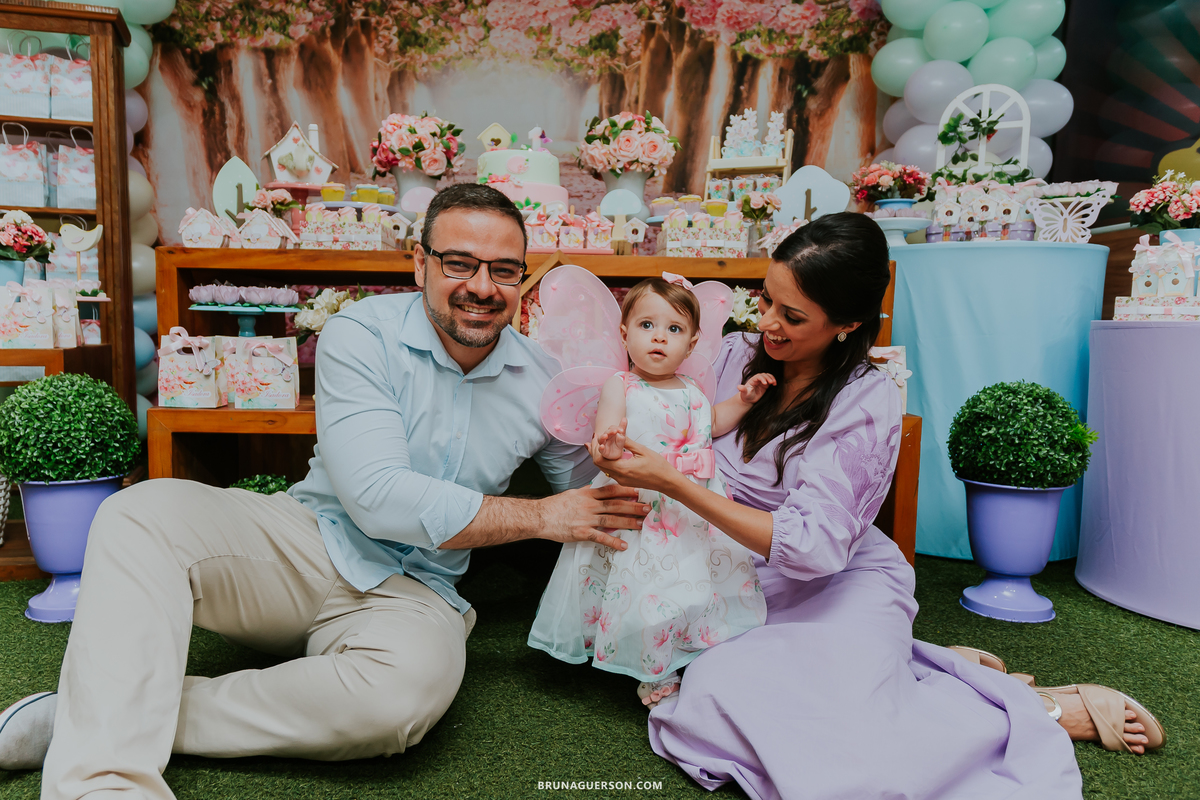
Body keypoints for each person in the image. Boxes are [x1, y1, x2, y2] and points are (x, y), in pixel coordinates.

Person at [0, 184, 650, 800]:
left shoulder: (544, 379)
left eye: (504, 270)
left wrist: (647, 434)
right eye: (460, 263)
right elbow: (377, 497)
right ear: (418, 264)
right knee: (139, 512)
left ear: (521, 281)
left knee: (397, 705)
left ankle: (94, 711)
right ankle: (104, 779)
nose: (481, 287)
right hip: (305, 543)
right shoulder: (360, 334)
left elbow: (595, 495)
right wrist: (540, 515)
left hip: (418, 592)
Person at [592, 213, 1166, 799]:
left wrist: (675, 484)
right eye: (765, 300)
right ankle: (919, 674)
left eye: (791, 316)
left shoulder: (866, 400)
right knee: (717, 689)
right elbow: (654, 403)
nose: (765, 323)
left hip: (830, 581)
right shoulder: (730, 355)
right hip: (724, 578)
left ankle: (1027, 710)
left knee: (813, 737)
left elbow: (813, 550)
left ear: (848, 324)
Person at [527, 273, 773, 705]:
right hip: (642, 506)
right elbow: (607, 431)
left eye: (674, 329)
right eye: (646, 326)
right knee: (641, 587)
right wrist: (610, 443)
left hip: (692, 507)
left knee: (694, 580)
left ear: (692, 344)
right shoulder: (621, 386)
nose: (659, 338)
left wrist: (745, 401)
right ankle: (650, 665)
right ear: (625, 333)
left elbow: (711, 423)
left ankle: (693, 642)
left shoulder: (693, 389)